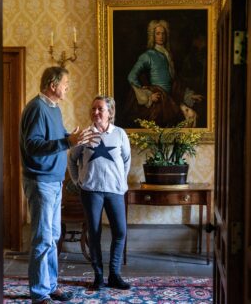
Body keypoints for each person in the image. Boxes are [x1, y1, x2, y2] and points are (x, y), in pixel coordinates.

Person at [20, 66, 100, 304]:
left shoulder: (53, 108)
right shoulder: (36, 107)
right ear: (53, 85)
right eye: (65, 83)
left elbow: (54, 138)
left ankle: (50, 285)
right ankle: (39, 293)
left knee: (53, 236)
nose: (68, 87)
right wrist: (67, 140)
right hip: (40, 180)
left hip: (54, 181)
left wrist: (73, 138)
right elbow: (32, 144)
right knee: (43, 238)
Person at [68, 96, 132, 291]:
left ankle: (114, 274)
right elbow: (72, 159)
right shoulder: (85, 134)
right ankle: (98, 276)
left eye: (100, 109)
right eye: (93, 108)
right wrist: (77, 180)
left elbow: (126, 159)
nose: (95, 112)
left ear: (109, 113)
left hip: (115, 191)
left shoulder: (120, 134)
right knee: (94, 234)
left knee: (120, 231)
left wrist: (120, 179)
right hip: (91, 191)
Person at [122, 19, 203, 128]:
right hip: (159, 102)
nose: (161, 36)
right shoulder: (148, 55)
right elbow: (132, 76)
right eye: (158, 33)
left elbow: (174, 82)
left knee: (191, 117)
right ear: (153, 35)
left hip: (170, 100)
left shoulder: (168, 55)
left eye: (163, 33)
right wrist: (148, 95)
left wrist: (189, 95)